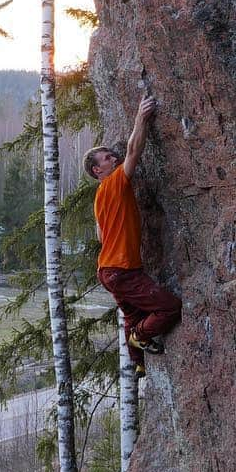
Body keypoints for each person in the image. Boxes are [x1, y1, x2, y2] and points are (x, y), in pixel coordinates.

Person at [84, 95, 182, 376]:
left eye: (111, 155)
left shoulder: (100, 198)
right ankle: (140, 337)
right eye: (106, 158)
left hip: (108, 270)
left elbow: (102, 236)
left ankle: (137, 361)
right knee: (169, 307)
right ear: (97, 170)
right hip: (122, 271)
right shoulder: (113, 184)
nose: (113, 158)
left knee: (132, 313)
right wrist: (141, 117)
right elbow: (133, 152)